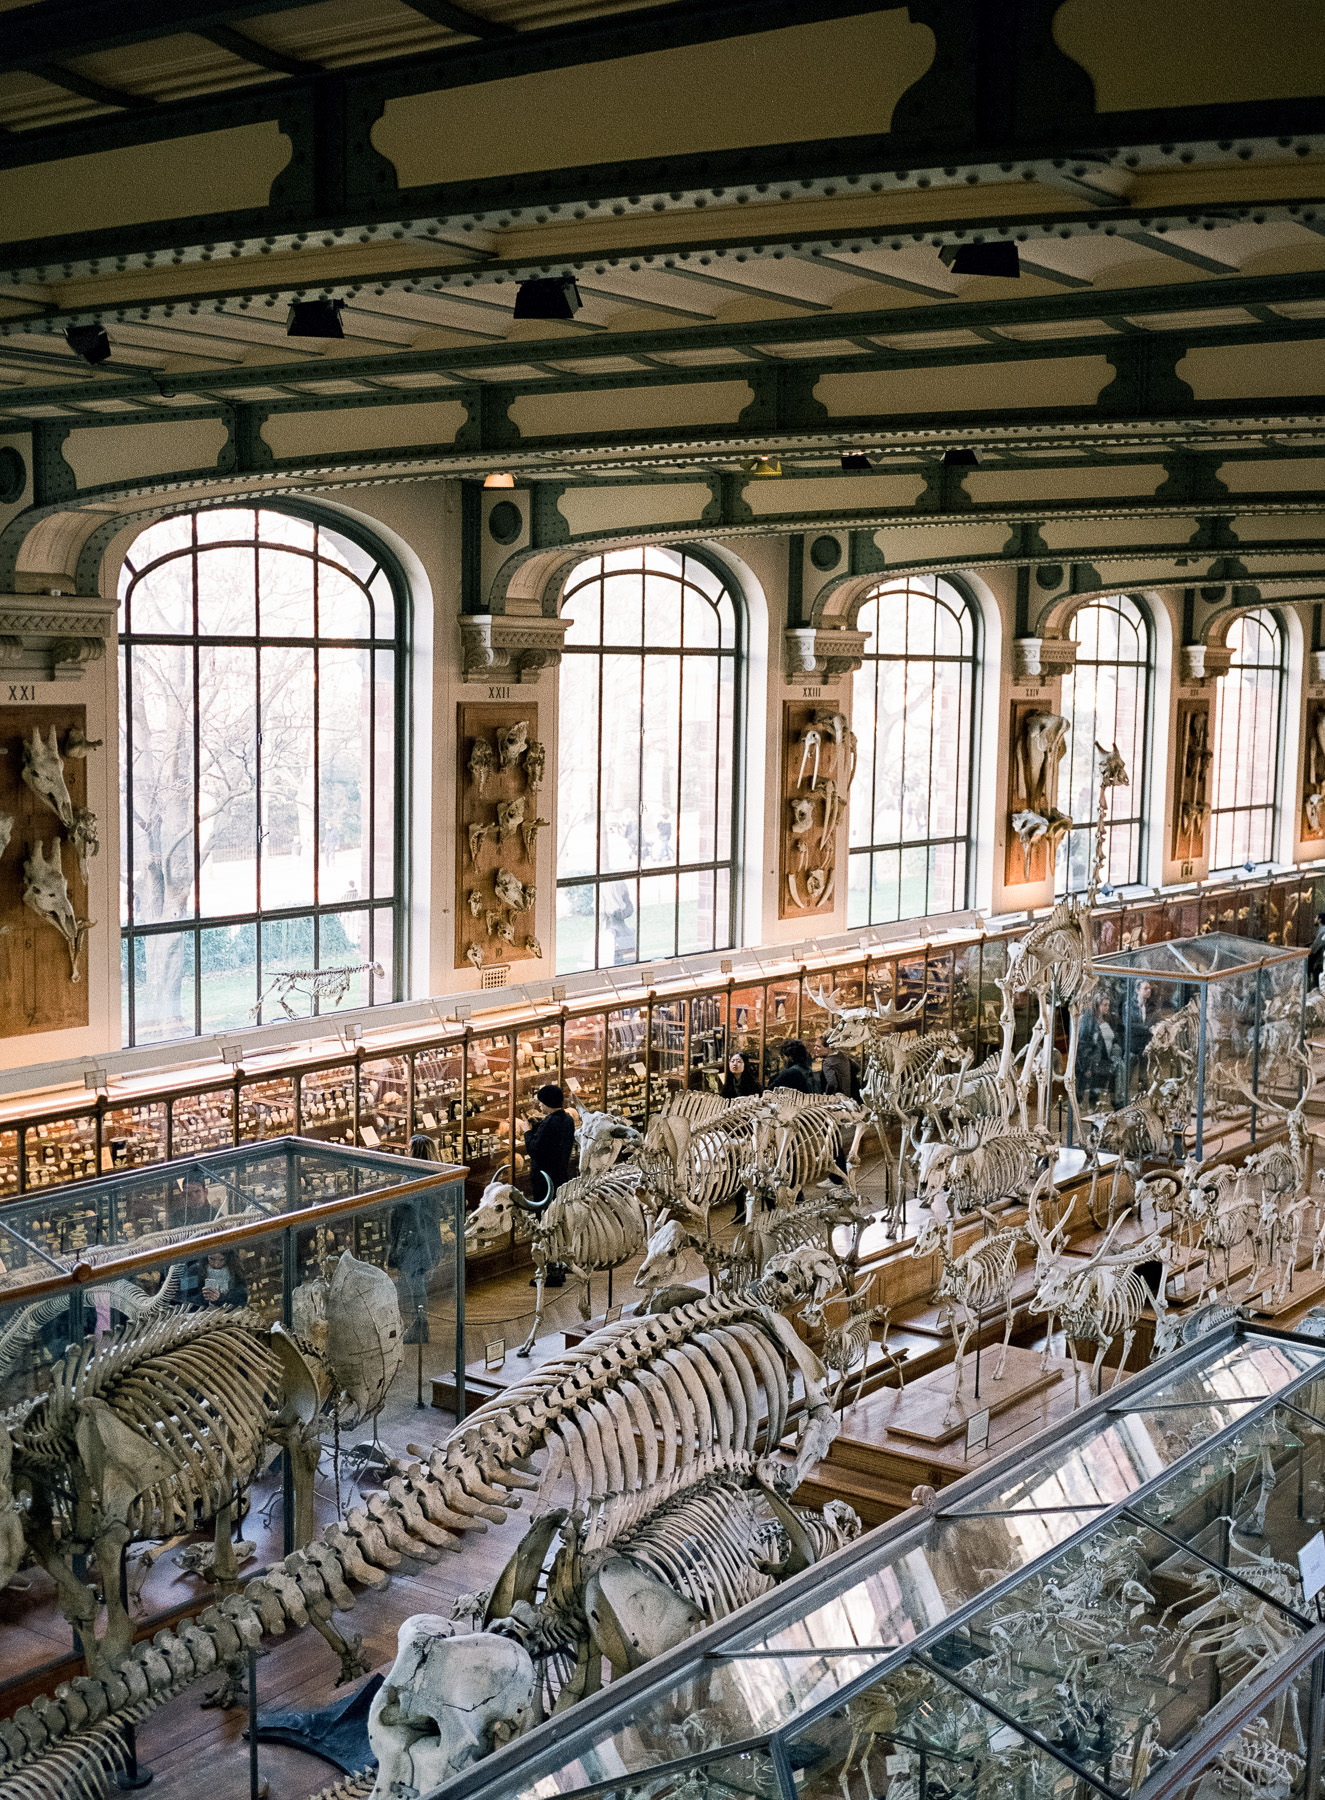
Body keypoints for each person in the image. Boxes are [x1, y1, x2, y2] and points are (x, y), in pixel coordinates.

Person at [391, 1135, 447, 1344]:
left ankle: (420, 1325)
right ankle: (419, 1324)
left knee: (416, 1282)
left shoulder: (413, 1179)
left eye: (409, 1149)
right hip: (429, 1237)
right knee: (417, 1281)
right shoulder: (434, 1175)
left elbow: (407, 1209)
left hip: (416, 1238)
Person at [523, 1085, 575, 1203]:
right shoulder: (568, 1119)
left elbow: (534, 1149)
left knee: (544, 1211)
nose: (540, 1105)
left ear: (547, 1103)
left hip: (544, 1179)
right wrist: (538, 1125)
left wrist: (527, 1132)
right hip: (560, 1174)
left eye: (541, 1102)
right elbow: (552, 1138)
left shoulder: (549, 1123)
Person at [814, 1034, 860, 1101]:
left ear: (829, 1047)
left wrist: (827, 1096)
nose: (814, 1048)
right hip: (849, 1099)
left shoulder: (827, 1062)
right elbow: (857, 1069)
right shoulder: (842, 1056)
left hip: (837, 1101)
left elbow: (832, 1084)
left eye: (818, 1047)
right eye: (815, 1046)